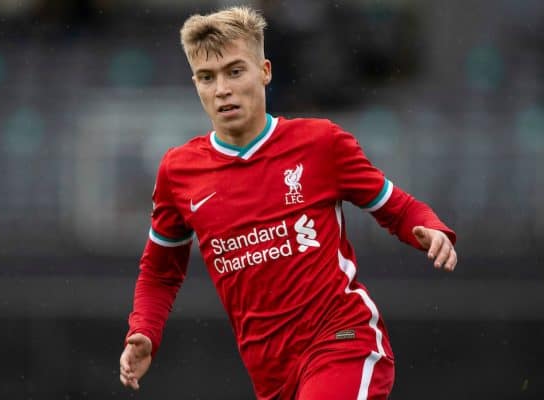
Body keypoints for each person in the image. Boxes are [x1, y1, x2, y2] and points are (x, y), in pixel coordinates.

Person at [119, 6, 457, 400]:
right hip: (271, 373)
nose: (222, 89)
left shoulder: (320, 144)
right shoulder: (179, 171)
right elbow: (160, 271)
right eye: (207, 77)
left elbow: (396, 207)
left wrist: (430, 227)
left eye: (234, 71)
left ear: (264, 71)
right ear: (195, 83)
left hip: (343, 340)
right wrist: (143, 330)